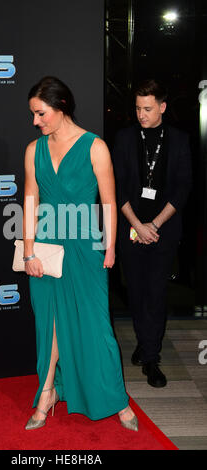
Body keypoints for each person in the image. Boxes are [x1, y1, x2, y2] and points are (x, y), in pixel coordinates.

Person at [23, 76, 138, 431]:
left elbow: (108, 202)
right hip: (45, 245)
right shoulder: (33, 150)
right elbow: (30, 202)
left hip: (85, 246)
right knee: (51, 324)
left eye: (40, 113)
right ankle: (47, 393)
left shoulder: (94, 147)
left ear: (61, 108)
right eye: (33, 114)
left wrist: (110, 246)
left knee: (97, 325)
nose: (35, 121)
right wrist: (28, 253)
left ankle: (115, 398)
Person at [112, 79, 192, 388]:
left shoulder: (179, 140)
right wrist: (136, 224)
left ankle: (151, 358)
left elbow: (183, 188)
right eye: (136, 108)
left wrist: (154, 225)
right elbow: (116, 186)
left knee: (156, 292)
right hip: (131, 225)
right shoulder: (124, 138)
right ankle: (146, 344)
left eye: (147, 108)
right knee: (136, 290)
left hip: (164, 230)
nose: (141, 114)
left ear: (162, 106)